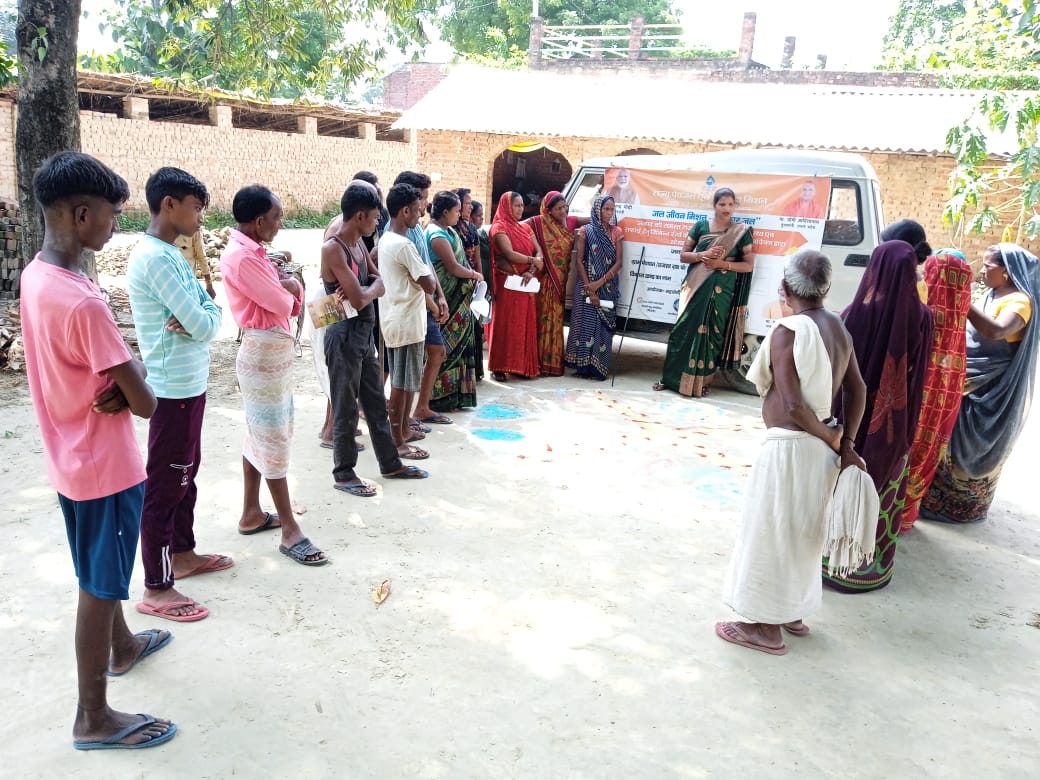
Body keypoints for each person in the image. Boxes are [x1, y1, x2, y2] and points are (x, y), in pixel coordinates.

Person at [20, 152, 178, 750]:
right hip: (104, 467)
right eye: (113, 213)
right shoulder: (83, 301)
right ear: (82, 215)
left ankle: (123, 644)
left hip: (69, 456)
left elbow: (104, 373)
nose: (117, 225)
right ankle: (93, 715)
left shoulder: (39, 276)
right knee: (100, 584)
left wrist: (122, 375)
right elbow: (146, 403)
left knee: (97, 568)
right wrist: (134, 372)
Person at [717, 251, 867, 656]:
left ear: (783, 289)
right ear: (826, 288)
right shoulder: (837, 326)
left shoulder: (788, 330)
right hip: (819, 453)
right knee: (802, 533)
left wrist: (831, 437)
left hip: (789, 449)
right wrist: (844, 443)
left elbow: (795, 406)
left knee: (772, 533)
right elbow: (858, 389)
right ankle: (792, 613)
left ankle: (764, 629)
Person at [127, 167, 228, 622]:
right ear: (169, 204)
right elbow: (205, 324)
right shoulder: (156, 259)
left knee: (186, 476)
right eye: (196, 207)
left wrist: (203, 313)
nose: (201, 217)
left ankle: (183, 554)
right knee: (167, 485)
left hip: (190, 385)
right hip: (171, 391)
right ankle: (157, 585)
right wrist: (203, 315)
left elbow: (208, 312)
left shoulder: (172, 253)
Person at [220, 185, 327, 565]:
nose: (281, 224)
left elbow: (279, 296)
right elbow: (283, 304)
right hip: (263, 352)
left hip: (271, 353)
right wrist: (292, 285)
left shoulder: (253, 252)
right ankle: (289, 530)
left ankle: (251, 512)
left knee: (261, 433)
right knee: (273, 437)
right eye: (277, 217)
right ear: (258, 220)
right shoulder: (242, 258)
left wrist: (281, 281)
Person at [823, 240, 933, 592]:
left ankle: (828, 561)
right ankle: (869, 568)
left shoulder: (853, 313)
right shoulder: (923, 318)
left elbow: (835, 372)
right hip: (893, 424)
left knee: (839, 483)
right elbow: (918, 376)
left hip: (848, 421)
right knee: (883, 490)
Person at [322, 182, 429, 498]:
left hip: (363, 334)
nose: (377, 222)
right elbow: (360, 297)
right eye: (373, 217)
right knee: (345, 408)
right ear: (359, 216)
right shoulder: (333, 248)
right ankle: (344, 473)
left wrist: (367, 290)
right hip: (343, 335)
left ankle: (390, 463)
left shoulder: (357, 244)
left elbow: (376, 280)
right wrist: (369, 290)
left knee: (374, 402)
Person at [921, 244, 1040, 524]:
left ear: (1007, 272)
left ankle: (961, 508)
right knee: (947, 439)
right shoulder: (992, 294)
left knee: (970, 445)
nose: (982, 270)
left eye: (988, 266)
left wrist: (962, 300)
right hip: (964, 378)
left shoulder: (1021, 302)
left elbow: (995, 331)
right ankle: (933, 501)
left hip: (990, 389)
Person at [655, 188, 755, 398]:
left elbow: (748, 266)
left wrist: (722, 264)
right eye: (722, 204)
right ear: (714, 205)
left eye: (730, 204)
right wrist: (703, 255)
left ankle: (702, 383)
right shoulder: (700, 226)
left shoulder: (741, 232)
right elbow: (684, 256)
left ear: (735, 205)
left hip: (721, 292)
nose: (727, 208)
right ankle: (670, 379)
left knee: (712, 335)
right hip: (695, 287)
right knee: (682, 332)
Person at [901, 250, 973, 531]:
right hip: (944, 401)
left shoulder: (923, 317)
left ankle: (888, 512)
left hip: (917, 399)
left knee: (908, 446)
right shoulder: (958, 329)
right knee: (927, 450)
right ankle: (906, 514)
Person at [379, 183, 437, 459]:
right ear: (404, 211)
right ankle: (397, 440)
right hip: (405, 322)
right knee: (402, 384)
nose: (419, 214)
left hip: (397, 319)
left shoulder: (386, 239)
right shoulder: (403, 245)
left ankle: (402, 430)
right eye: (416, 209)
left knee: (403, 381)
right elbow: (428, 283)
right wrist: (424, 278)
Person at [395, 171, 452, 426]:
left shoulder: (417, 226)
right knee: (406, 364)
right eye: (422, 198)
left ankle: (421, 408)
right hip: (413, 303)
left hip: (427, 300)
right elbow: (411, 275)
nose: (425, 205)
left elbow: (426, 264)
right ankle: (401, 420)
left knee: (435, 352)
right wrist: (431, 303)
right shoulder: (399, 233)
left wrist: (440, 296)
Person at [426, 190, 482, 410]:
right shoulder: (436, 235)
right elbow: (452, 267)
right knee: (444, 349)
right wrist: (474, 275)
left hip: (458, 298)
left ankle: (456, 396)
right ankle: (439, 398)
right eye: (457, 211)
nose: (460, 214)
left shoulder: (448, 231)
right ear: (445, 212)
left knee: (458, 347)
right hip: (446, 298)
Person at [565, 194, 623, 380]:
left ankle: (598, 368)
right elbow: (579, 261)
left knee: (603, 328)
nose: (609, 213)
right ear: (598, 210)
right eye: (606, 209)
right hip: (586, 285)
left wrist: (599, 283)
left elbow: (619, 263)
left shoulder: (617, 232)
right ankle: (582, 367)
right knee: (584, 325)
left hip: (607, 287)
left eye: (612, 209)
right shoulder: (586, 231)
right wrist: (590, 287)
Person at [488, 191, 543, 381]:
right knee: (505, 324)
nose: (520, 209)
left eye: (522, 205)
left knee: (522, 324)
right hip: (507, 283)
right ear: (506, 206)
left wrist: (532, 270)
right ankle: (499, 367)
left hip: (526, 283)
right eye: (516, 205)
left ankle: (520, 367)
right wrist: (533, 261)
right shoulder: (498, 228)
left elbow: (539, 251)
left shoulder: (525, 228)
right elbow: (509, 254)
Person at [527, 191, 583, 376]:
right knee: (543, 319)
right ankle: (539, 362)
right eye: (559, 208)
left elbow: (590, 220)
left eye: (565, 207)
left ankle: (552, 362)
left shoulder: (570, 222)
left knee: (557, 320)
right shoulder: (538, 222)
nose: (563, 211)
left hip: (560, 282)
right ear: (548, 210)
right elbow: (517, 228)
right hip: (545, 280)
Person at [455, 188, 485, 380]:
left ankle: (474, 372)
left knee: (474, 327)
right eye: (466, 203)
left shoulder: (471, 229)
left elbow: (477, 258)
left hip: (472, 282)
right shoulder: (451, 230)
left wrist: (480, 280)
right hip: (456, 283)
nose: (469, 207)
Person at [174, 230, 215, 299]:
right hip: (184, 280)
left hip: (184, 279)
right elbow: (201, 256)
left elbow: (201, 256)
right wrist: (209, 284)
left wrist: (209, 284)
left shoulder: (194, 229)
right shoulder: (194, 228)